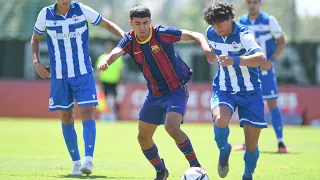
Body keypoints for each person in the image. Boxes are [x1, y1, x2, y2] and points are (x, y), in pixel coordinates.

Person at [98, 4, 214, 180]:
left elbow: (196, 34)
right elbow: (116, 52)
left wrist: (205, 48)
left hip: (176, 89)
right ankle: (161, 170)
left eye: (145, 23)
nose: (142, 27)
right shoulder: (130, 41)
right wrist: (107, 60)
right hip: (154, 94)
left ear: (150, 22)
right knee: (143, 137)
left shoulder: (162, 33)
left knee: (171, 127)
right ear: (131, 24)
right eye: (138, 23)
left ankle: (196, 166)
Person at [31, 0, 124, 176]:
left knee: (88, 111)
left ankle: (88, 160)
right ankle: (76, 163)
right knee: (66, 116)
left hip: (83, 73)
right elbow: (35, 39)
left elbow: (107, 24)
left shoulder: (81, 10)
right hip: (59, 75)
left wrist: (126, 39)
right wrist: (36, 62)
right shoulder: (45, 14)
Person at [203, 1, 267, 180]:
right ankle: (224, 150)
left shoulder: (244, 34)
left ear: (230, 18)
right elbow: (208, 46)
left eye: (220, 23)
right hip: (224, 88)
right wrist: (207, 51)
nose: (217, 28)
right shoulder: (211, 33)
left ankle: (247, 176)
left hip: (250, 91)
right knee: (220, 120)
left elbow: (261, 58)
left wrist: (235, 60)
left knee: (251, 145)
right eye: (213, 24)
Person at [235, 0, 289, 153]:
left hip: (265, 70)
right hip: (249, 71)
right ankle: (247, 142)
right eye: (249, 2)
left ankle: (281, 143)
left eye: (255, 2)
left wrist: (271, 60)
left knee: (272, 103)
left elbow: (282, 41)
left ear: (259, 3)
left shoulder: (269, 20)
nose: (252, 5)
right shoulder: (241, 21)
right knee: (247, 105)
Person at [95, 42, 124, 121]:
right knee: (103, 100)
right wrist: (99, 80)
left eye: (110, 47)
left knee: (114, 99)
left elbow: (120, 70)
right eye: (107, 46)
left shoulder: (117, 57)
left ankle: (113, 115)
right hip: (104, 81)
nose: (108, 48)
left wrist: (120, 80)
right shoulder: (101, 57)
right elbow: (98, 71)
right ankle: (104, 115)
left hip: (114, 81)